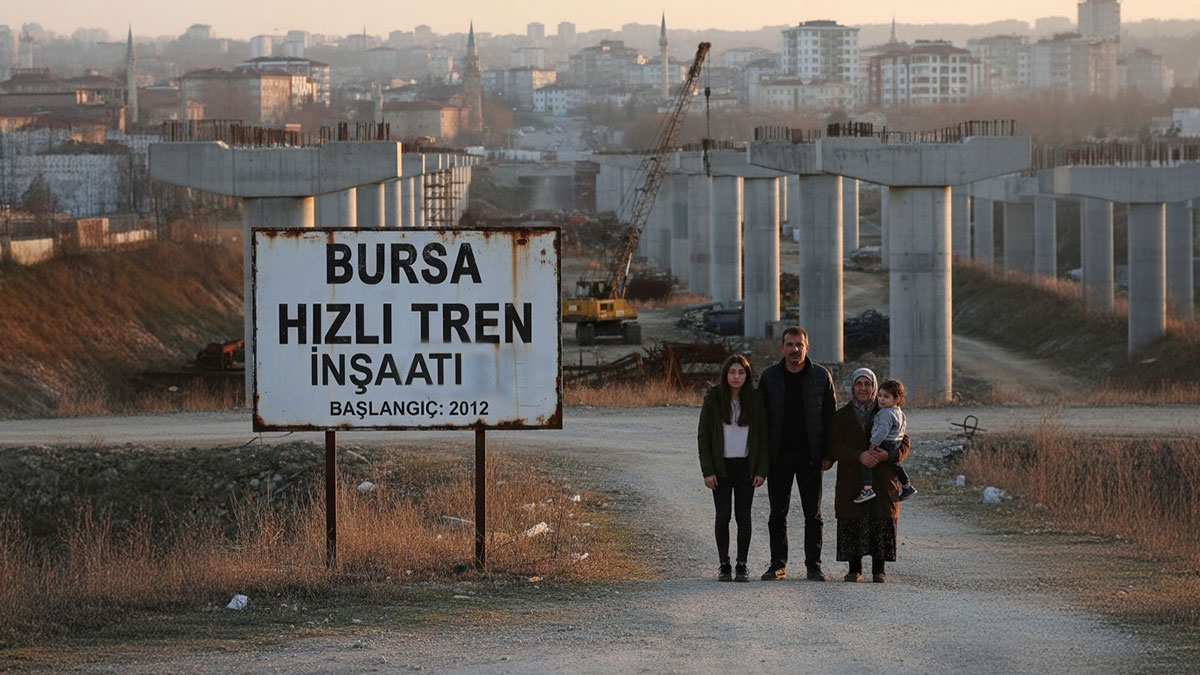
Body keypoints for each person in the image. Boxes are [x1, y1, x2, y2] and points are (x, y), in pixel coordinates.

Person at [757, 327, 836, 581]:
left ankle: (813, 565)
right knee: (777, 513)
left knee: (813, 515)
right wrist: (762, 458)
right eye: (789, 345)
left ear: (807, 347)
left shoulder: (821, 377)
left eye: (799, 345)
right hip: (779, 457)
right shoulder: (769, 377)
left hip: (811, 457)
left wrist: (828, 454)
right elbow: (761, 420)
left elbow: (830, 418)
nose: (794, 350)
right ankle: (777, 564)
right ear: (782, 348)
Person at [827, 368, 912, 583]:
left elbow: (904, 442)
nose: (863, 388)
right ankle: (854, 568)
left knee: (880, 518)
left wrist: (888, 455)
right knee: (852, 518)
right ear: (852, 387)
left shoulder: (887, 409)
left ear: (874, 388)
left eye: (867, 384)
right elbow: (834, 446)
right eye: (858, 384)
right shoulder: (842, 416)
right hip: (852, 476)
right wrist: (859, 456)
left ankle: (879, 569)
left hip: (882, 477)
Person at [698, 354, 768, 582]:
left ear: (747, 376)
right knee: (723, 515)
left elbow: (764, 439)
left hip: (746, 466)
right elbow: (704, 437)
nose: (736, 377)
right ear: (725, 375)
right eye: (732, 372)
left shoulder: (756, 400)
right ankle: (724, 564)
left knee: (743, 516)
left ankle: (742, 565)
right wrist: (708, 471)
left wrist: (761, 470)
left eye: (741, 373)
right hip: (721, 467)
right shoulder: (713, 399)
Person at [853, 378, 917, 504]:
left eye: (886, 397)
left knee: (867, 461)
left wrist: (873, 444)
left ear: (897, 399)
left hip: (885, 443)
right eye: (880, 395)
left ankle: (867, 489)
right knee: (895, 465)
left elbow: (882, 431)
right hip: (895, 443)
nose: (881, 399)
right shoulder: (900, 413)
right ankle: (907, 485)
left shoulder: (885, 413)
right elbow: (902, 430)